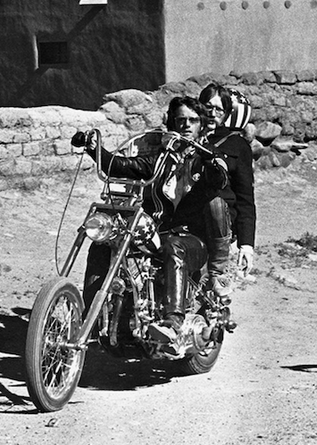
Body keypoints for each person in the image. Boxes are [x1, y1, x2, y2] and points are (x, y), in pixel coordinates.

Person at [76, 96, 227, 343]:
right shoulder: (161, 159)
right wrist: (93, 148)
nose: (186, 125)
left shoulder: (208, 156)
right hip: (155, 232)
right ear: (171, 124)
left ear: (201, 125)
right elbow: (120, 166)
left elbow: (219, 180)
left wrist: (210, 160)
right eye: (180, 120)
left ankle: (174, 323)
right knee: (102, 245)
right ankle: (90, 318)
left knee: (173, 246)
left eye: (193, 120)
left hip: (192, 239)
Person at [194, 83, 257, 296]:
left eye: (219, 110)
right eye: (207, 106)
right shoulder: (184, 136)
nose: (212, 113)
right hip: (186, 218)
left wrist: (247, 245)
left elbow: (245, 197)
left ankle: (219, 271)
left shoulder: (237, 145)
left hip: (218, 224)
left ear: (227, 114)